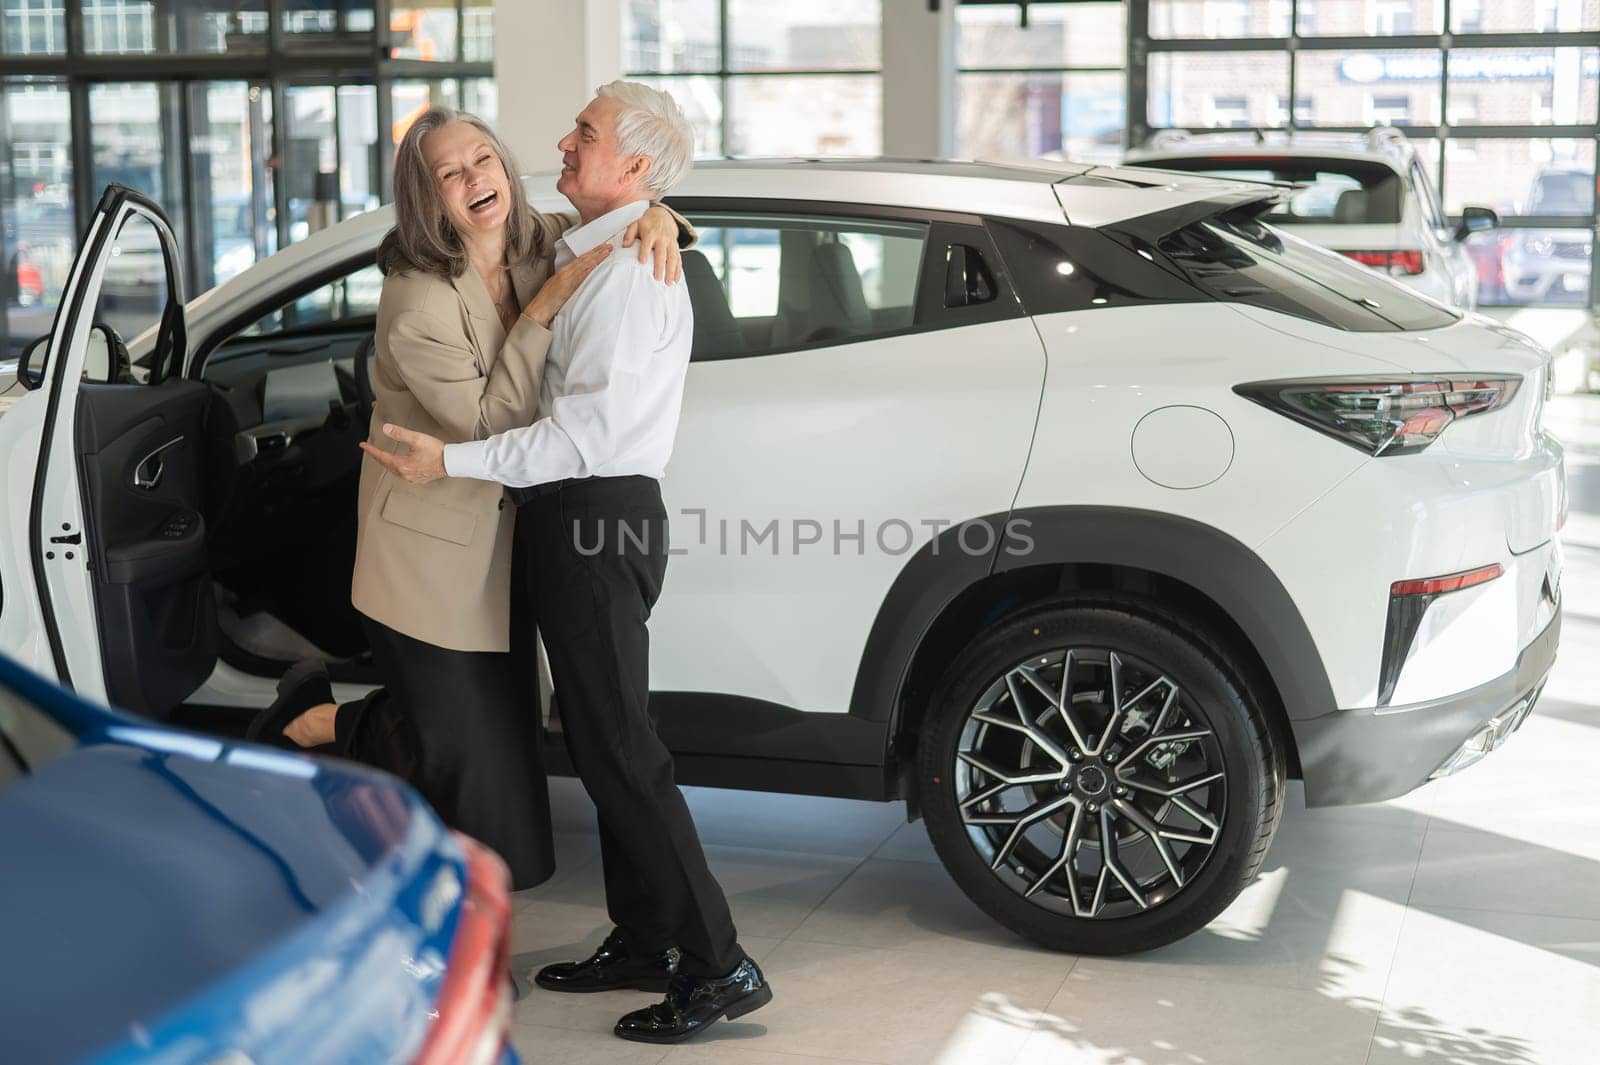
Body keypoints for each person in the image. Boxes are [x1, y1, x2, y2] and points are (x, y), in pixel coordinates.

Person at [361, 82, 771, 1044]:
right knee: (597, 742)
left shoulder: (624, 271)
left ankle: (719, 962)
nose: (558, 143)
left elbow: (576, 438)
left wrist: (448, 460)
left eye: (583, 134)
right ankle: (645, 935)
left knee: (623, 748)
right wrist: (657, 208)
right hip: (574, 523)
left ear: (630, 164)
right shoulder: (590, 240)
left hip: (592, 518)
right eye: (448, 171)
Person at [245, 105, 690, 891]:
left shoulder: (534, 238)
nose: (475, 178)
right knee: (462, 754)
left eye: (482, 157)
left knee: (499, 747)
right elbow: (488, 421)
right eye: (449, 173)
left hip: (507, 545)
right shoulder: (417, 301)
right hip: (430, 554)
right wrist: (548, 305)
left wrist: (660, 217)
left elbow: (620, 209)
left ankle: (326, 724)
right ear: (427, 199)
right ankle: (449, 909)